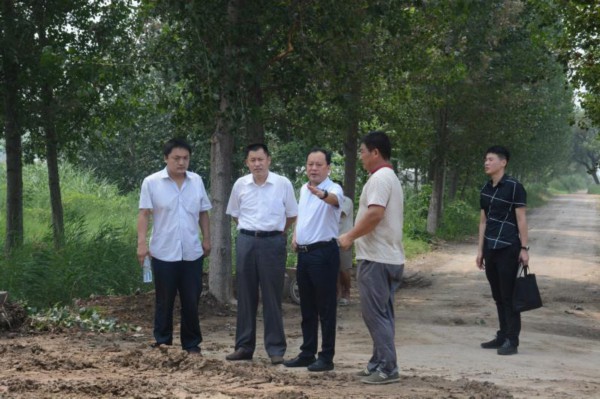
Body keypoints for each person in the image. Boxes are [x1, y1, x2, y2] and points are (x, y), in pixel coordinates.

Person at [338, 131, 405, 385]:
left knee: (374, 314)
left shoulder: (380, 178)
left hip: (377, 258)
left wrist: (350, 236)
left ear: (375, 153)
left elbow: (375, 214)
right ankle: (378, 362)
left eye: (363, 152)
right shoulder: (389, 177)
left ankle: (388, 368)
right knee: (382, 313)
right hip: (388, 256)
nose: (361, 157)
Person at [137, 138, 212, 355]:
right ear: (166, 158)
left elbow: (203, 212)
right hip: (163, 251)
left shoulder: (196, 181)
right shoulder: (151, 182)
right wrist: (141, 244)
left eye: (185, 158)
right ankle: (163, 340)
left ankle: (191, 343)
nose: (181, 162)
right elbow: (143, 214)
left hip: (191, 251)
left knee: (191, 299)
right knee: (164, 299)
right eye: (176, 158)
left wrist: (206, 238)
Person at [225, 143, 298, 365]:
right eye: (252, 160)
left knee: (272, 295)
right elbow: (236, 215)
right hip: (247, 241)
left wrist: (275, 232)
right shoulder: (240, 184)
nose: (257, 164)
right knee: (246, 294)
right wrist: (251, 230)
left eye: (261, 159)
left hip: (273, 242)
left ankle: (276, 348)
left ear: (269, 160)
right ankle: (244, 346)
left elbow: (291, 215)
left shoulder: (282, 184)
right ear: (247, 162)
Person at [283, 148, 343, 372]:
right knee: (307, 307)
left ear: (328, 167)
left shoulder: (333, 188)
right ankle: (307, 352)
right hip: (305, 254)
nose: (314, 168)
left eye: (319, 164)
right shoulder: (303, 189)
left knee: (325, 307)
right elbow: (302, 216)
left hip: (324, 253)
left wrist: (323, 194)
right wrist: (296, 235)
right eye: (310, 164)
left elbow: (337, 201)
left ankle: (326, 357)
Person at [476, 145, 529, 356]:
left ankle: (512, 340)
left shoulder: (515, 187)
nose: (486, 163)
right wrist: (480, 250)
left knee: (509, 295)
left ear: (503, 162)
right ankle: (502, 334)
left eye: (490, 159)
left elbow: (521, 219)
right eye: (485, 160)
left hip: (509, 247)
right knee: (498, 295)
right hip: (491, 248)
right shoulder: (485, 189)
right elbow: (483, 221)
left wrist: (524, 248)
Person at [337, 185, 354, 306]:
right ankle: (337, 294)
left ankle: (346, 293)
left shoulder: (346, 201)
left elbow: (340, 214)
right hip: (330, 239)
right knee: (334, 270)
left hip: (344, 239)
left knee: (344, 269)